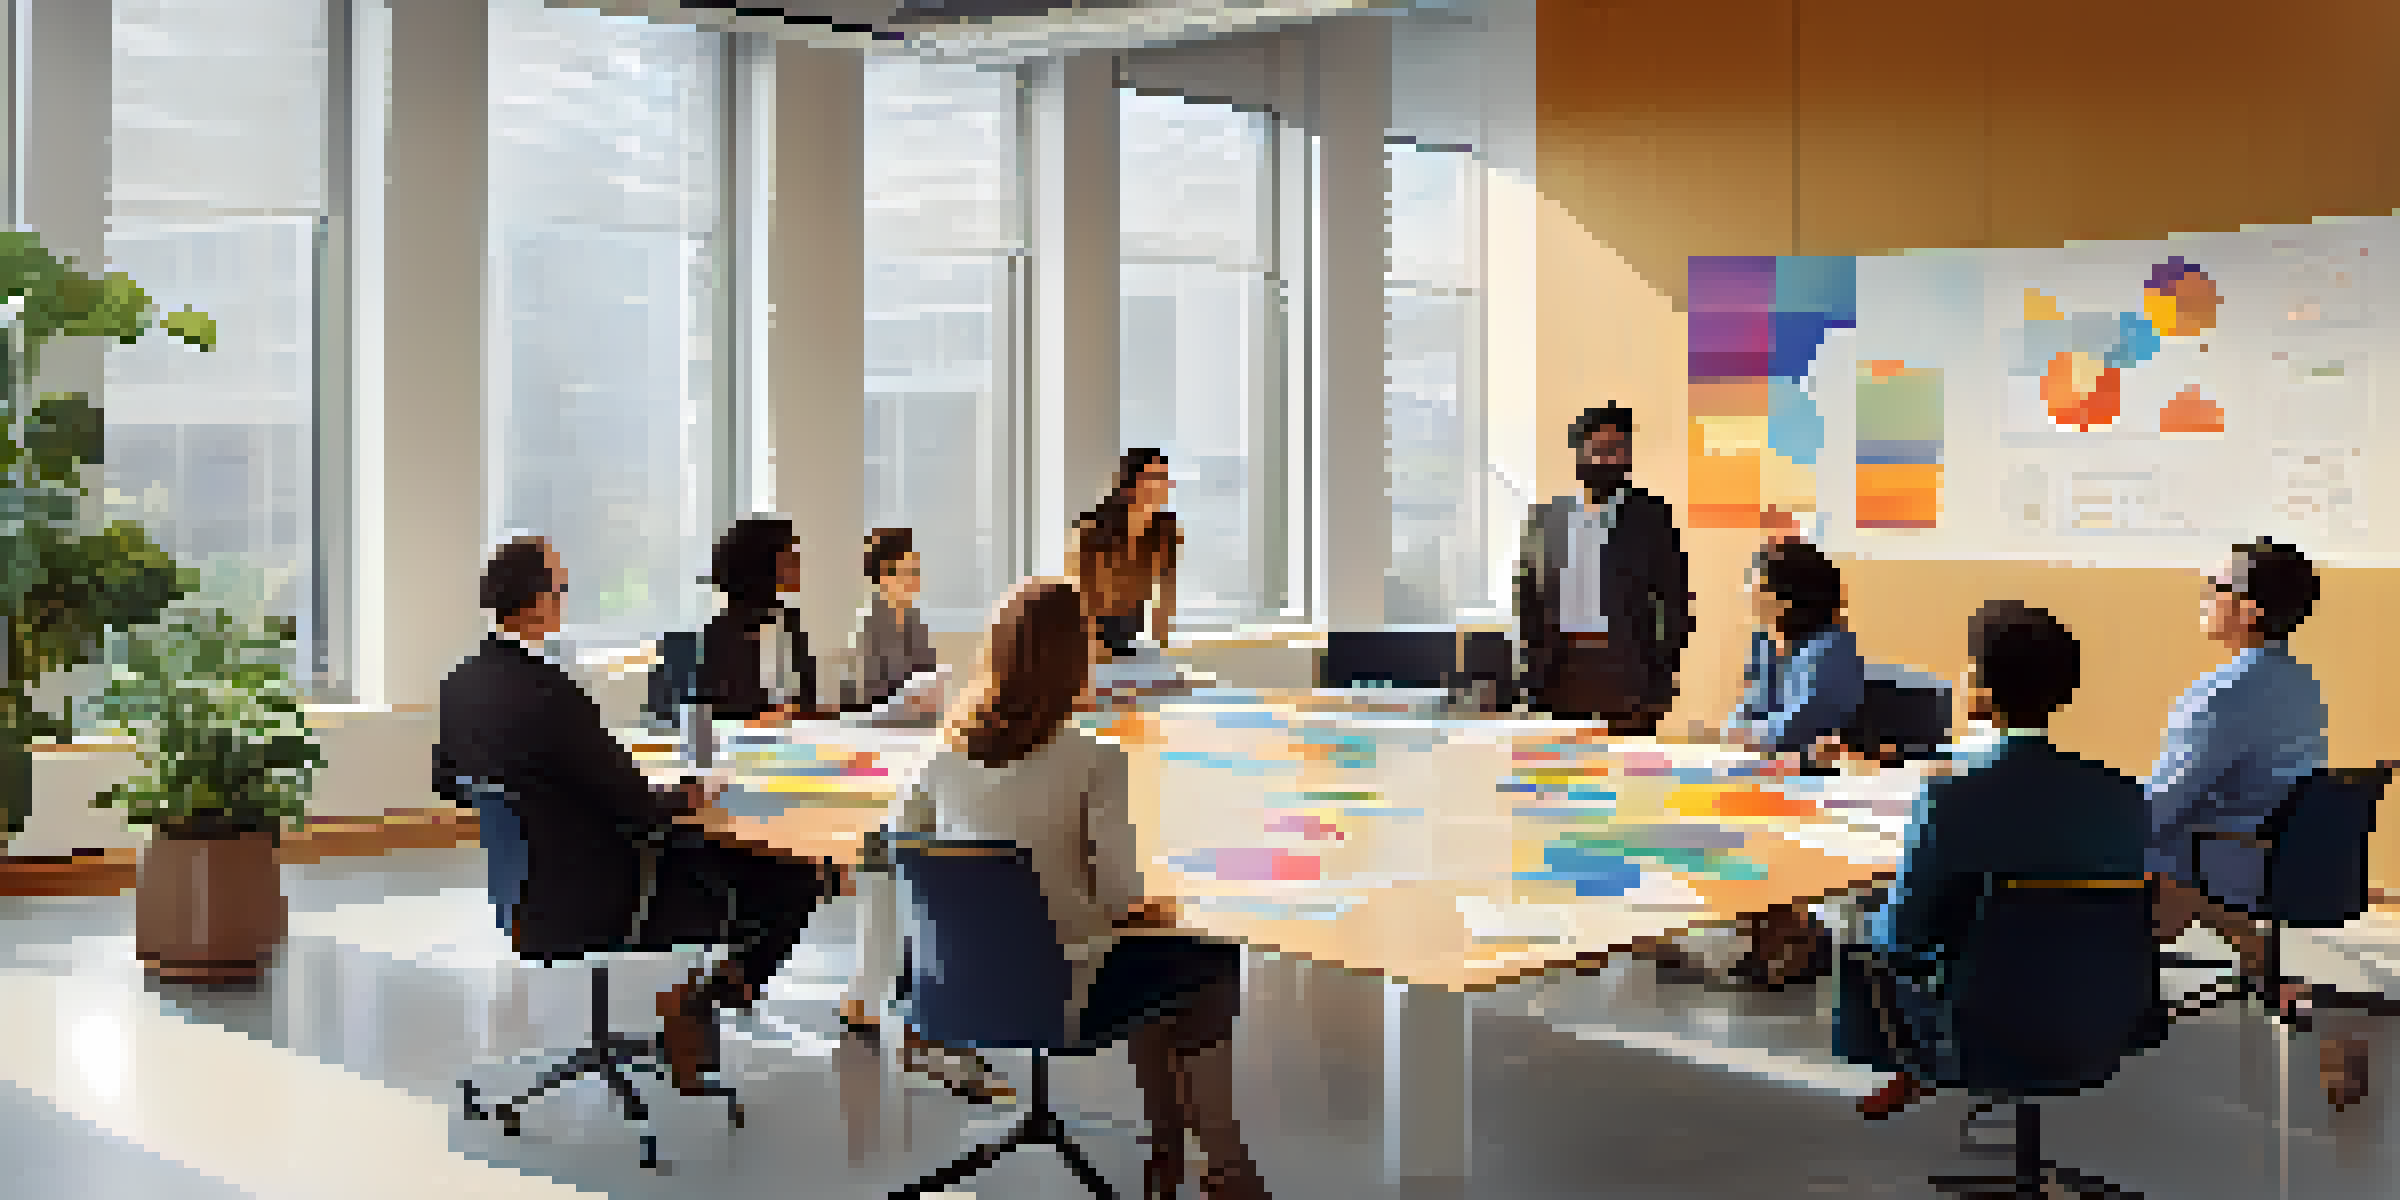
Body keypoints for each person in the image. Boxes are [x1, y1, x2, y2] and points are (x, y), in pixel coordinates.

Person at [880, 578, 1268, 1199]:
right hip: (1060, 993)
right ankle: (1215, 1160)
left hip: (952, 991)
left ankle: (1169, 1151)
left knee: (1155, 963)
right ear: (1075, 658)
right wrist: (1164, 906)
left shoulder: (942, 759)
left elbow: (895, 850)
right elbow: (1121, 901)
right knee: (1206, 957)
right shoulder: (1094, 760)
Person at [432, 535, 841, 1095]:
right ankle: (701, 1002)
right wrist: (690, 793)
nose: (564, 600)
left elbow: (450, 783)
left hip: (524, 890)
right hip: (595, 890)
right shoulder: (550, 691)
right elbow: (641, 809)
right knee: (792, 873)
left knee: (748, 866)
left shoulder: (460, 682)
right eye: (561, 589)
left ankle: (699, 1004)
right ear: (536, 602)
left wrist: (544, 801)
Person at [1839, 600, 2148, 1118]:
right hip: (2101, 1010)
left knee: (1867, 926)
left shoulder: (1950, 798)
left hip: (1981, 1019)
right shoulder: (2123, 794)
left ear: (1980, 687)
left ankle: (1914, 1065)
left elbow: (1901, 938)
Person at [2144, 539, 2365, 1105]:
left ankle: (2077, 1015)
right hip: (2283, 855)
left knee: (2108, 855)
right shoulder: (2301, 682)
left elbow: (2162, 806)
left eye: (2215, 587)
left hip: (2229, 858)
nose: (2203, 597)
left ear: (2250, 609)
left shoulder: (2217, 695)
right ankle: (2270, 973)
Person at [1514, 404, 1693, 734]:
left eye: (1616, 449)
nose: (1605, 459)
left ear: (1628, 456)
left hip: (1629, 677)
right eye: (1597, 449)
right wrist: (1530, 669)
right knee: (1561, 764)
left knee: (1626, 764)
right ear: (1579, 452)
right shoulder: (1545, 520)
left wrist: (1663, 673)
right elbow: (1527, 601)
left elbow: (1675, 602)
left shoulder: (1652, 517)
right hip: (1559, 674)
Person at [1723, 537, 1867, 758]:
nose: (1748, 593)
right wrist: (1747, 731)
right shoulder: (1765, 641)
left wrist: (1750, 733)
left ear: (1786, 597)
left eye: (1757, 585)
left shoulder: (1832, 648)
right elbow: (1742, 720)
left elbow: (1793, 731)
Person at [701, 516, 828, 724]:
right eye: (791, 557)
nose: (798, 566)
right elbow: (727, 712)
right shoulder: (724, 632)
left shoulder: (790, 621)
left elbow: (808, 698)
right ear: (765, 563)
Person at [1072, 448, 1181, 660]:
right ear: (1131, 484)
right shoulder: (1095, 527)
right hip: (1090, 631)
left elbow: (1167, 592)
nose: (1164, 485)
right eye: (1155, 478)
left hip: (1131, 630)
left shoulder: (1166, 530)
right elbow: (1082, 593)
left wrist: (1162, 646)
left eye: (1164, 478)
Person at [838, 527, 938, 714]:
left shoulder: (913, 621)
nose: (914, 582)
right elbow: (867, 694)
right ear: (885, 578)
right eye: (907, 574)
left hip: (913, 718)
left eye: (916, 573)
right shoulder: (867, 626)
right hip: (870, 718)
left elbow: (928, 675)